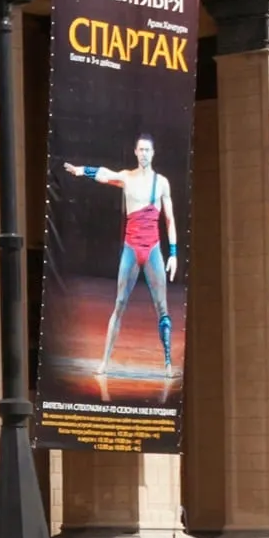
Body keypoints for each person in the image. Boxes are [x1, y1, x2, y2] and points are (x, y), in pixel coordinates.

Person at [62, 133, 182, 381]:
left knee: (162, 308)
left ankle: (168, 363)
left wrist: (173, 253)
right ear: (135, 152)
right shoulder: (127, 178)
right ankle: (105, 361)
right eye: (141, 150)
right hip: (131, 248)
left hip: (152, 249)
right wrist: (81, 171)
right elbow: (105, 174)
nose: (145, 154)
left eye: (148, 150)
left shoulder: (162, 183)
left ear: (153, 153)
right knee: (119, 304)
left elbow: (169, 219)